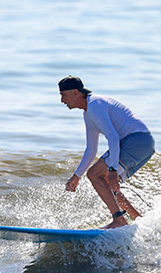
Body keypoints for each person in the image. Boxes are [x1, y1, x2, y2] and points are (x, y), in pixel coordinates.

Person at [60, 76, 155, 228]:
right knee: (107, 182)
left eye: (63, 95)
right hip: (145, 144)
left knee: (94, 174)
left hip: (136, 140)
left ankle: (119, 221)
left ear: (75, 92)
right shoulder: (88, 113)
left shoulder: (94, 105)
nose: (62, 100)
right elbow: (91, 149)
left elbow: (113, 137)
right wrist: (77, 176)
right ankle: (139, 220)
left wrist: (113, 170)